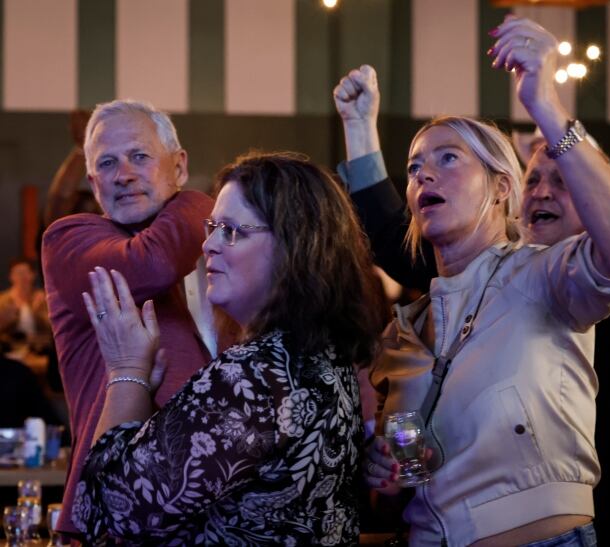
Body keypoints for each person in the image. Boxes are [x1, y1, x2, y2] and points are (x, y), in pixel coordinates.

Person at [336, 27, 610, 547]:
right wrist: (359, 130)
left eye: (565, 177)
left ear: (605, 194)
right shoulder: (479, 278)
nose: (544, 190)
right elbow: (404, 234)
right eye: (532, 179)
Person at [72, 152, 384, 545]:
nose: (209, 245)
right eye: (212, 227)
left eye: (232, 231)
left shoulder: (253, 378)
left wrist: (125, 369)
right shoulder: (321, 358)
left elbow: (106, 511)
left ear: (296, 247)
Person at [41, 100, 221, 538]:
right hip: (112, 510)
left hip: (208, 511)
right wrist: (200, 200)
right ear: (93, 183)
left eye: (139, 156)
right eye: (107, 163)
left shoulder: (220, 256)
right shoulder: (70, 240)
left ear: (177, 165)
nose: (123, 174)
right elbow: (154, 263)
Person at [0, 258, 51, 350]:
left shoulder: (44, 298)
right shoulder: (3, 300)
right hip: (11, 350)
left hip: (41, 349)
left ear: (33, 275)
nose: (22, 277)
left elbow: (54, 329)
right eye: (17, 273)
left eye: (25, 272)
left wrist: (39, 312)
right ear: (10, 277)